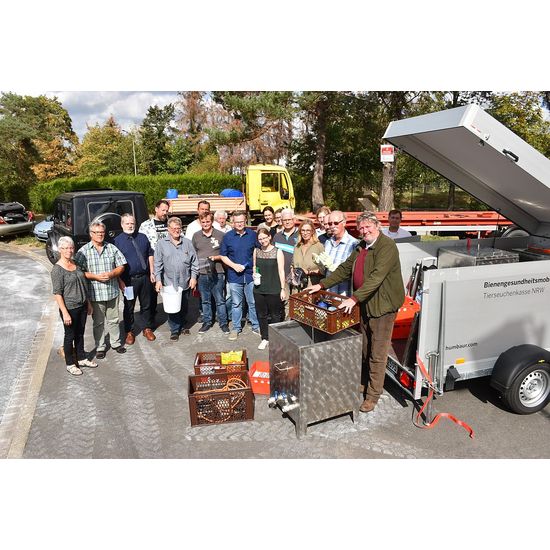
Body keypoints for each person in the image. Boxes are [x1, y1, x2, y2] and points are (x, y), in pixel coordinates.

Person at [309, 212, 405, 413]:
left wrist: (353, 298)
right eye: (361, 228)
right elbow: (345, 269)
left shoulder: (386, 246)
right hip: (365, 304)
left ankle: (372, 395)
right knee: (363, 347)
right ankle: (364, 383)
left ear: (377, 226)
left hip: (383, 307)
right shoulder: (361, 246)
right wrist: (323, 285)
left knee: (377, 352)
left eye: (368, 227)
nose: (364, 231)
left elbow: (377, 277)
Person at [75, 221, 127, 359]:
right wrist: (95, 277)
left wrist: (112, 274)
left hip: (112, 292)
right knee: (98, 323)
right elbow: (78, 273)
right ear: (91, 234)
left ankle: (116, 343)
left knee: (114, 320)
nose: (100, 235)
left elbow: (121, 265)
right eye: (97, 233)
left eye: (102, 232)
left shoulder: (111, 248)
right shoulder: (83, 251)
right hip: (95, 294)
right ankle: (100, 347)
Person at [51, 236, 96, 375]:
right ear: (60, 249)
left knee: (80, 333)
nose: (69, 250)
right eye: (65, 248)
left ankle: (81, 357)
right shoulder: (57, 270)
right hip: (69, 308)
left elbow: (82, 284)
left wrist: (88, 303)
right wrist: (64, 312)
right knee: (69, 336)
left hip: (82, 305)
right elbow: (57, 293)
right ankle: (70, 363)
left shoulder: (75, 263)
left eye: (71, 248)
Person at [154, 216, 199, 341]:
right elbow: (157, 264)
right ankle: (174, 330)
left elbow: (194, 262)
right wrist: (158, 280)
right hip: (169, 282)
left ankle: (183, 324)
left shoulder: (187, 243)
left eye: (178, 228)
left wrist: (194, 277)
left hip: (185, 281)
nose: (176, 231)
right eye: (173, 228)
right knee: (172, 307)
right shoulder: (161, 244)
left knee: (184, 305)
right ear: (168, 229)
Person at [114, 214, 156, 344]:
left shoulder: (142, 237)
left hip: (145, 278)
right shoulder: (117, 241)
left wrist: (152, 272)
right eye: (127, 223)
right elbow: (115, 263)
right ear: (122, 225)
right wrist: (120, 281)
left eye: (132, 223)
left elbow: (150, 254)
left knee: (147, 304)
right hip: (128, 281)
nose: (130, 225)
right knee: (129, 306)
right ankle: (129, 331)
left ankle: (147, 328)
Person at [220, 210, 260, 341]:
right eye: (237, 222)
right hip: (234, 275)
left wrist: (253, 266)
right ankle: (236, 328)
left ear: (245, 221)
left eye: (242, 221)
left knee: (252, 302)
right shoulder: (227, 237)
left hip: (249, 275)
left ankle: (256, 325)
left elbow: (257, 250)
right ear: (232, 223)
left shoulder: (252, 235)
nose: (239, 224)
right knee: (236, 303)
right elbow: (223, 256)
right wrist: (234, 266)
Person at [192, 212, 229, 334]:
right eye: (203, 222)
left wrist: (216, 257)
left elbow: (226, 254)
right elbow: (193, 254)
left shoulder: (221, 235)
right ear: (200, 222)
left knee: (220, 299)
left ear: (212, 221)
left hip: (218, 272)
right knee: (205, 300)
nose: (205, 224)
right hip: (202, 273)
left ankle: (223, 323)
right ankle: (207, 322)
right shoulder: (196, 236)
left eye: (208, 221)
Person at [253, 228, 286, 350]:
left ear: (269, 237)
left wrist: (282, 288)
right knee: (261, 315)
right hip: (259, 288)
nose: (262, 241)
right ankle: (265, 338)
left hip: (274, 288)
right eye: (260, 239)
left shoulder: (277, 251)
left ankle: (275, 339)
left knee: (275, 315)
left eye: (264, 238)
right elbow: (255, 267)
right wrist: (254, 274)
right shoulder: (256, 251)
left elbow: (281, 271)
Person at [139, 198, 170, 324]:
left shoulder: (171, 223)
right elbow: (142, 247)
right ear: (156, 209)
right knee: (151, 295)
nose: (164, 213)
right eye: (162, 210)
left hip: (170, 265)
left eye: (167, 211)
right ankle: (150, 322)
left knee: (171, 292)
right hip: (153, 265)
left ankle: (175, 320)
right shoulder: (145, 226)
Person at [322, 210, 358, 296]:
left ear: (344, 223)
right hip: (329, 293)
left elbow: (355, 272)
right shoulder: (328, 243)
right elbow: (325, 271)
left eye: (336, 223)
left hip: (344, 295)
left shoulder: (354, 244)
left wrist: (336, 269)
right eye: (330, 224)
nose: (332, 226)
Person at [292, 219, 326, 287]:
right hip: (297, 285)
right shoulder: (297, 246)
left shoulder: (319, 246)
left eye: (308, 230)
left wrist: (308, 272)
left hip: (312, 285)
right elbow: (292, 265)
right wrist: (292, 272)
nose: (305, 233)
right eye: (303, 230)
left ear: (312, 231)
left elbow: (324, 270)